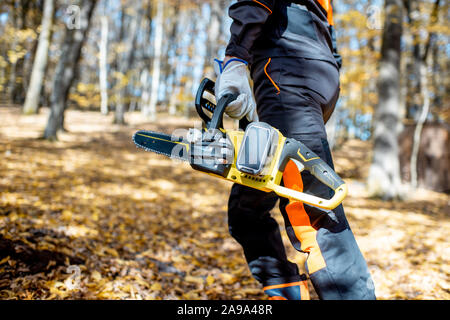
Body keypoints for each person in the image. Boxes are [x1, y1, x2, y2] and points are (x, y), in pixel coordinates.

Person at [214, 0, 376, 300]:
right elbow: (330, 37)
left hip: (286, 75)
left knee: (314, 215)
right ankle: (288, 291)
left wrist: (235, 57)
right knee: (247, 206)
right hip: (315, 72)